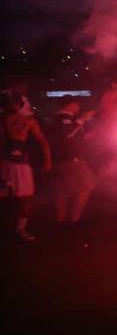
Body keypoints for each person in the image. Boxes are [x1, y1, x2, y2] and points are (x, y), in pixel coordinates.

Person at [2, 91, 52, 241]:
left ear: (20, 104)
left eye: (15, 102)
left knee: (25, 198)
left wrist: (47, 160)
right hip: (3, 163)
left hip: (20, 164)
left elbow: (42, 140)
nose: (13, 105)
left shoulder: (29, 121)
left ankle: (20, 229)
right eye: (9, 102)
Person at [47, 100, 97, 224]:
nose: (78, 107)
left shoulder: (58, 119)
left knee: (62, 191)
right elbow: (67, 133)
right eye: (76, 104)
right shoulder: (63, 118)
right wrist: (83, 119)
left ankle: (61, 222)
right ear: (70, 105)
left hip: (61, 160)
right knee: (86, 186)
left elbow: (73, 137)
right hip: (70, 159)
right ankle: (74, 219)